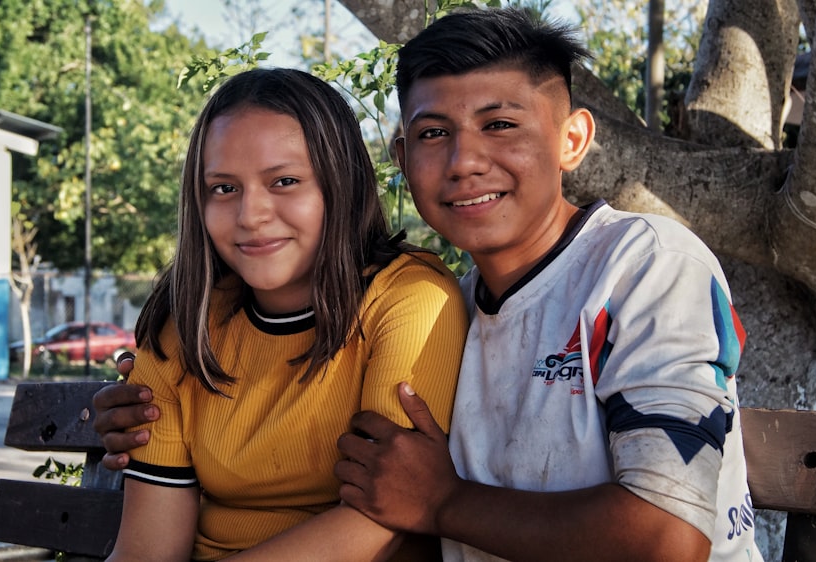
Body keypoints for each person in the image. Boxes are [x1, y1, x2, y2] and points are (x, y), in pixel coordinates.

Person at [97, 8, 762, 561]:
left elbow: (669, 539)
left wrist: (443, 502)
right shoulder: (459, 303)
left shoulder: (643, 265)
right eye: (433, 133)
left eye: (500, 125)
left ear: (572, 139)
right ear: (402, 160)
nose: (466, 161)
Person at [101, 67, 467, 562]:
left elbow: (385, 516)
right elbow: (147, 550)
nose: (251, 214)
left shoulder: (407, 298)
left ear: (343, 183)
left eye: (285, 181)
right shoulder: (189, 324)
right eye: (224, 188)